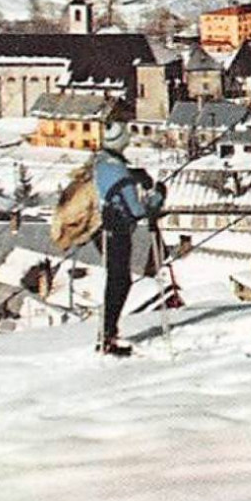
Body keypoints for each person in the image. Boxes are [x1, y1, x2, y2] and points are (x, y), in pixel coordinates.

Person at [94, 119, 162, 357]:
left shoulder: (102, 162)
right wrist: (157, 198)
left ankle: (107, 333)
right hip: (120, 231)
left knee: (114, 280)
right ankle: (108, 335)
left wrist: (133, 176)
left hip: (103, 229)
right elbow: (137, 210)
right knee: (120, 282)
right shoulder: (118, 170)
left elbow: (111, 177)